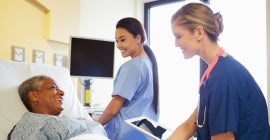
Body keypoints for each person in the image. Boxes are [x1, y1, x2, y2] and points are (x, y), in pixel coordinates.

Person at [168, 2, 269, 140]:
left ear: (199, 32)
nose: (175, 44)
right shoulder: (215, 73)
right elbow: (188, 127)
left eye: (178, 36)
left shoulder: (223, 77)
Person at [95, 17, 160, 140]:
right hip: (141, 134)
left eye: (123, 40)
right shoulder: (147, 63)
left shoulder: (133, 66)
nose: (119, 45)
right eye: (117, 40)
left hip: (125, 134)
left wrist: (96, 124)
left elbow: (113, 109)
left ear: (138, 38)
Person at [8, 75, 108, 140]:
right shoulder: (31, 124)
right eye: (53, 87)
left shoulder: (64, 120)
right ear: (34, 96)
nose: (62, 92)